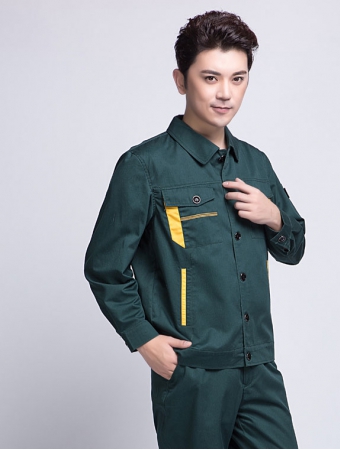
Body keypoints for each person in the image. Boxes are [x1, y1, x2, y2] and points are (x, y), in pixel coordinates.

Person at [84, 10, 306, 449]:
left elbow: (293, 248)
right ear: (181, 81)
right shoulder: (144, 166)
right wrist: (144, 340)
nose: (225, 93)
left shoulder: (256, 164)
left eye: (238, 79)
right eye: (210, 78)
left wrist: (275, 217)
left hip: (258, 365)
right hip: (193, 373)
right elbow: (104, 267)